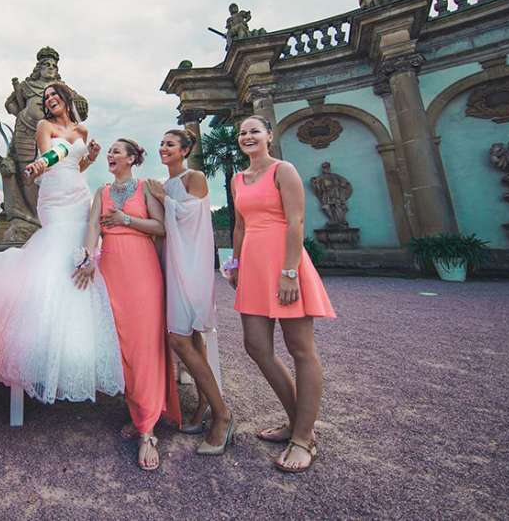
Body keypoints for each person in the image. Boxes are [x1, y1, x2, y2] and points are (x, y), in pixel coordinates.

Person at [0, 81, 124, 406]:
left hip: (78, 192)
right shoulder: (44, 126)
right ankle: (40, 345)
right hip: (52, 195)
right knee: (55, 252)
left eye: (54, 95)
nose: (50, 99)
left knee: (79, 250)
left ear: (66, 99)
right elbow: (46, 160)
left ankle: (78, 350)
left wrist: (91, 158)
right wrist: (39, 165)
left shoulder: (82, 131)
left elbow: (77, 164)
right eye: (46, 96)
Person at [228, 115, 336, 473]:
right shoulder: (238, 179)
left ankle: (304, 438)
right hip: (253, 267)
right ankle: (297, 422)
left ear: (269, 136)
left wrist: (290, 272)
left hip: (284, 263)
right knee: (256, 346)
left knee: (301, 349)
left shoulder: (283, 170)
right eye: (242, 132)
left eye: (254, 131)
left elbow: (296, 222)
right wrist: (236, 264)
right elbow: (240, 226)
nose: (248, 136)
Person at [74, 139, 181, 471]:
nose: (110, 155)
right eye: (109, 152)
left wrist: (125, 220)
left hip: (143, 270)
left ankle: (148, 431)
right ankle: (140, 413)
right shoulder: (102, 191)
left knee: (144, 345)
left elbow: (161, 227)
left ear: (132, 159)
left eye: (117, 151)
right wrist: (87, 259)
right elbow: (93, 226)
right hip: (112, 270)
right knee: (122, 346)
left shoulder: (146, 187)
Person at [145, 129, 233, 455]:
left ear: (184, 150)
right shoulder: (163, 184)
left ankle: (223, 415)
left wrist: (162, 198)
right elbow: (163, 229)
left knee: (178, 339)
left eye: (170, 144)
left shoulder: (193, 178)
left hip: (192, 265)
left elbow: (193, 219)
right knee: (192, 338)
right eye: (162, 143)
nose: (163, 148)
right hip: (172, 263)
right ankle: (203, 404)